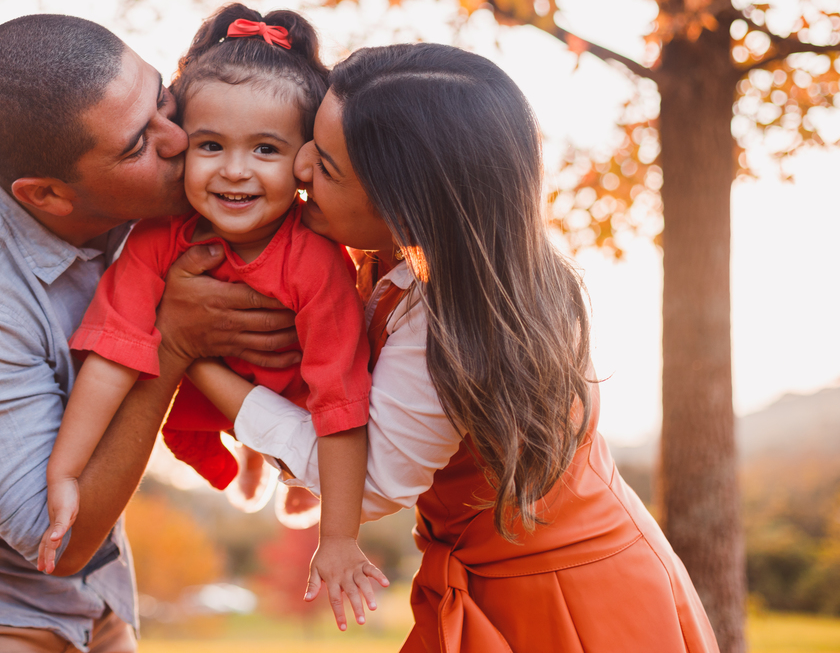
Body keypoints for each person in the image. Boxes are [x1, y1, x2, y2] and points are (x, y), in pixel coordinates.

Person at [186, 43, 722, 651]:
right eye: (311, 139)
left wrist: (192, 357)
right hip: (501, 581)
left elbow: (365, 485)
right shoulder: (421, 264)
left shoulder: (442, 323)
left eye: (328, 166)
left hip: (569, 607)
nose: (300, 166)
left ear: (408, 214)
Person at [0, 14, 301, 653]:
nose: (178, 140)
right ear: (47, 195)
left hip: (95, 584)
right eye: (138, 145)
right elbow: (55, 535)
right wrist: (174, 341)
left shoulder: (133, 182)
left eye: (163, 98)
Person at [40, 6, 387, 621]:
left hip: (295, 395)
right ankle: (247, 456)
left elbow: (340, 403)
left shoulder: (317, 263)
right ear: (182, 146)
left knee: (302, 449)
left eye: (265, 149)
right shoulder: (159, 238)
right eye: (210, 145)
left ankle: (277, 467)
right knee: (190, 419)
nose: (234, 170)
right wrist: (65, 471)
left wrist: (337, 538)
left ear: (304, 161)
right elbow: (114, 354)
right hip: (216, 379)